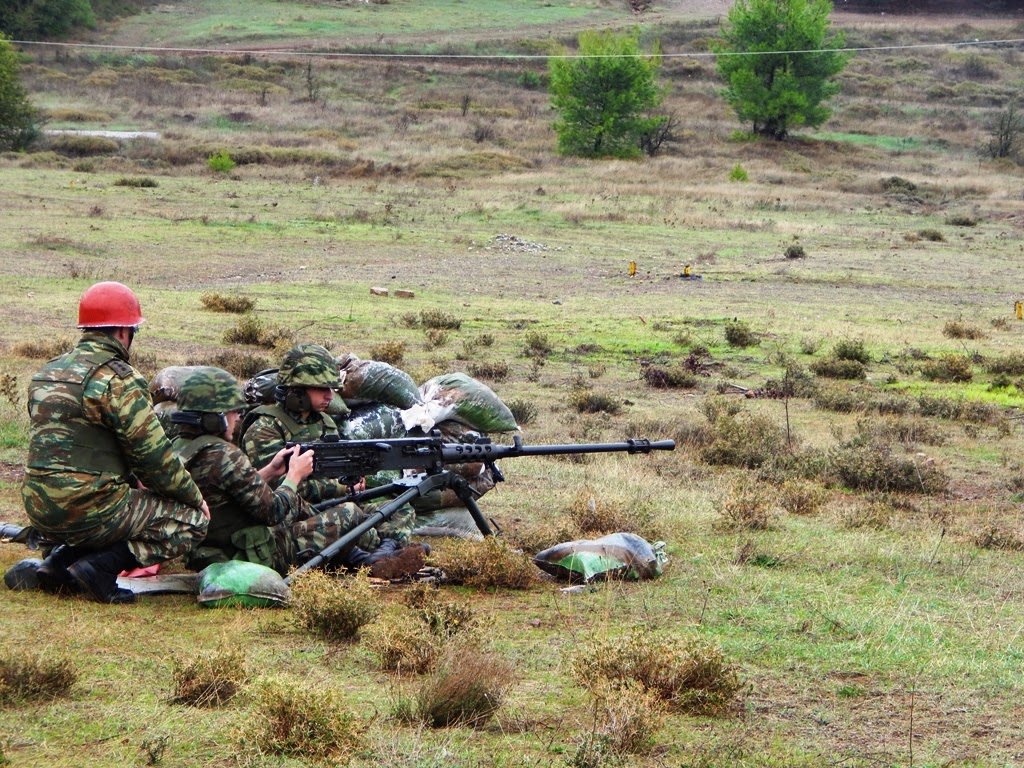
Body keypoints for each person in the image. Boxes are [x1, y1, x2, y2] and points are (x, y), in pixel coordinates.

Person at [21, 282, 210, 604]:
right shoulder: (119, 379)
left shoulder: (47, 371)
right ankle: (98, 568)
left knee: (106, 498)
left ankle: (59, 561)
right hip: (88, 508)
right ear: (124, 331)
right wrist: (193, 498)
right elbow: (154, 458)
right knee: (192, 521)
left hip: (38, 506)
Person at [175, 367, 426, 576]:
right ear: (214, 417)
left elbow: (231, 495)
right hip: (249, 551)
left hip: (219, 546)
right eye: (232, 412)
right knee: (347, 514)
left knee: (379, 511)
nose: (238, 418)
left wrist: (272, 471)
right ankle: (370, 561)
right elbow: (273, 511)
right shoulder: (225, 455)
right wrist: (294, 476)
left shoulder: (182, 448)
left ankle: (375, 556)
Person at [239, 342, 415, 547]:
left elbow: (335, 472)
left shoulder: (325, 422)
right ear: (298, 389)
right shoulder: (264, 428)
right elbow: (279, 490)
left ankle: (386, 550)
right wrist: (340, 488)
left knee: (400, 508)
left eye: (331, 388)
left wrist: (352, 479)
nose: (330, 395)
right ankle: (375, 550)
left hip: (328, 507)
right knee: (349, 519)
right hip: (289, 515)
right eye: (322, 388)